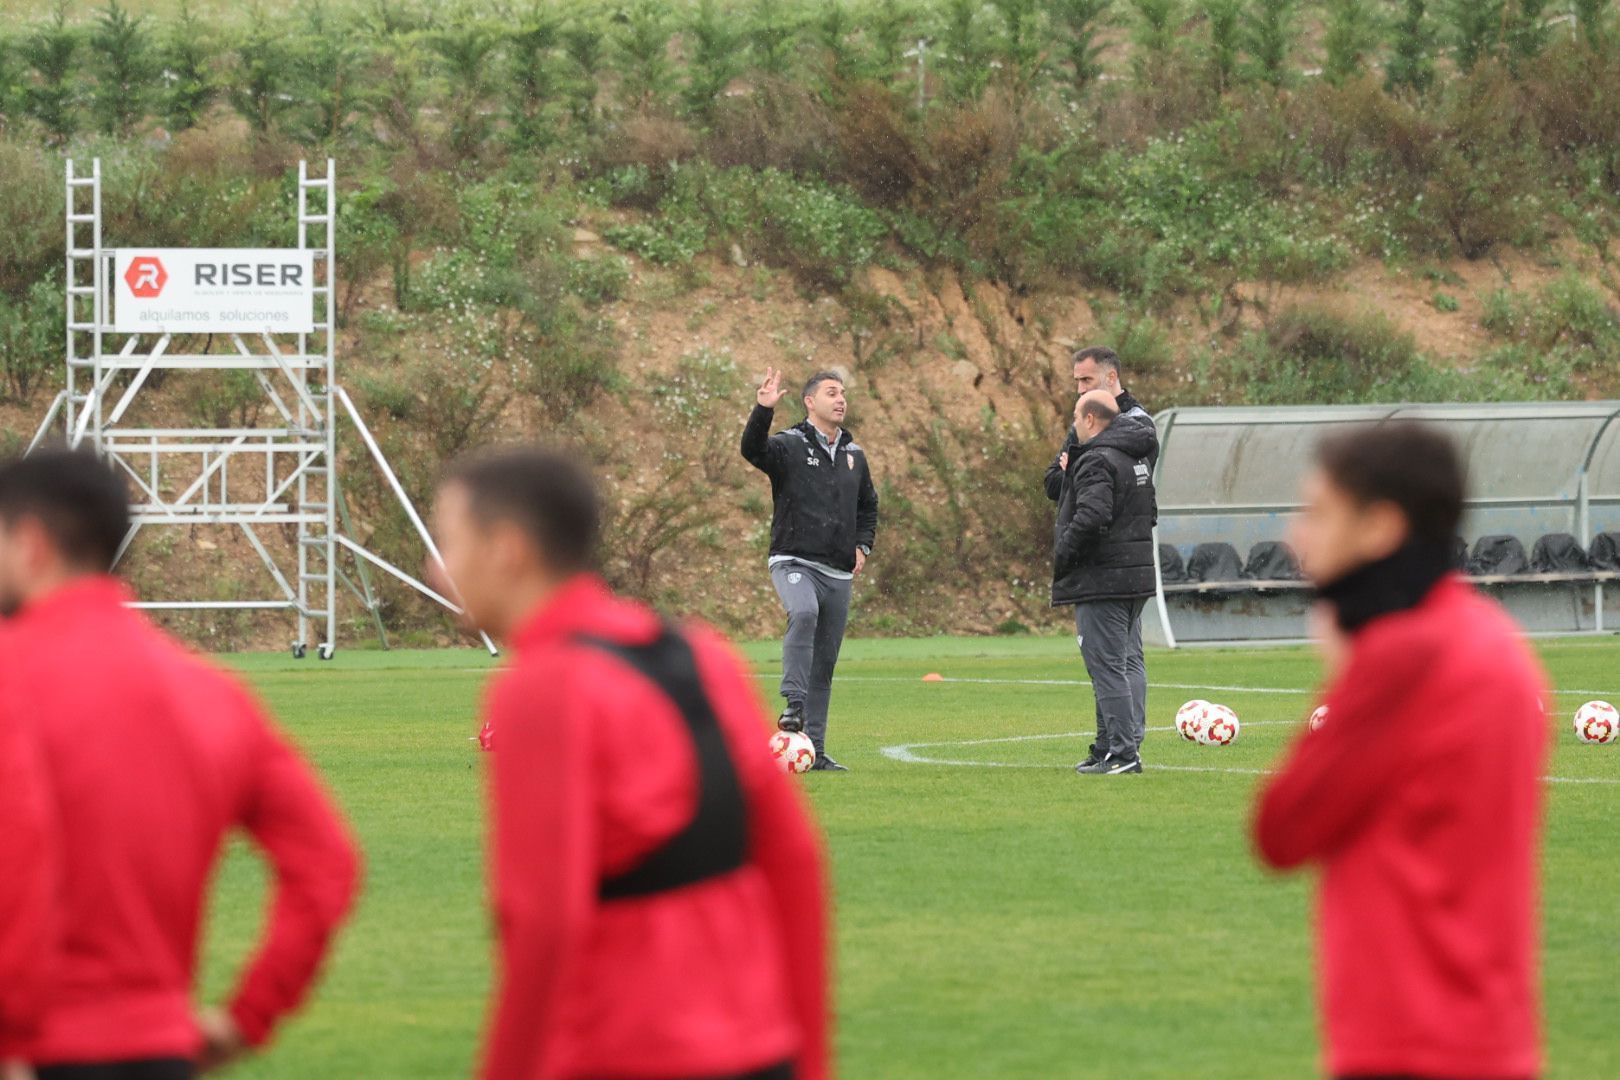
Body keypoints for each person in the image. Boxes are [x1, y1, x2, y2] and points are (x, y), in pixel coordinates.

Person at [432, 447, 830, 1080]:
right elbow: (794, 862)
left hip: (625, 1053)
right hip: (760, 1051)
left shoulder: (539, 690)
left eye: (448, 542)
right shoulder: (701, 654)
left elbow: (543, 925)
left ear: (507, 549)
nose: (435, 567)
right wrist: (808, 1062)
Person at [0, 447, 361, 1080]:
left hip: (33, 1047)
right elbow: (326, 863)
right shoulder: (210, 693)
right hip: (158, 1048)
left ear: (31, 545)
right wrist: (251, 1014)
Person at [1253, 422, 1548, 1080]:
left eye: (1317, 513)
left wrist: (1345, 668)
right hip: (1491, 1033)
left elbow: (1283, 829)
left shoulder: (1401, 656)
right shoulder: (1492, 638)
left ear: (1380, 527)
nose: (1295, 535)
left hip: (1409, 1040)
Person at [741, 367, 879, 772]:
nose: (841, 399)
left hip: (838, 572)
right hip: (794, 559)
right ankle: (794, 704)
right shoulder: (789, 444)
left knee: (825, 664)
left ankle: (814, 750)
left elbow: (868, 506)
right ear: (809, 402)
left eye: (843, 393)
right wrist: (763, 410)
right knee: (803, 612)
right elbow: (753, 450)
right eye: (831, 393)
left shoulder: (855, 456)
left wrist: (862, 545)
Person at [1051, 391, 1159, 776]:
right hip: (1135, 576)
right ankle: (1107, 747)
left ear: (1091, 419)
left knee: (1107, 668)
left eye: (1076, 418)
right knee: (1121, 663)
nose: (1074, 425)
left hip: (1104, 579)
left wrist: (1063, 553)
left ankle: (1123, 752)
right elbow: (1150, 513)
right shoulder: (1136, 456)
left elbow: (1093, 516)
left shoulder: (1097, 458)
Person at [1044, 345, 1155, 504]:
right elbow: (1052, 485)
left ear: (1111, 377)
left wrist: (1073, 467)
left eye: (1086, 380)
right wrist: (1082, 468)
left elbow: (1123, 480)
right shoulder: (1083, 419)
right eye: (1077, 381)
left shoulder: (1139, 423)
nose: (1080, 389)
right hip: (1083, 516)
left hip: (1117, 519)